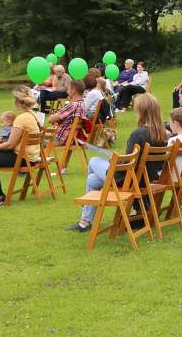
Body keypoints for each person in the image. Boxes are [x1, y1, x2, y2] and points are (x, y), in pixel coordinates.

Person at [66, 93, 167, 234]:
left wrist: (115, 161)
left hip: (127, 179)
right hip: (145, 178)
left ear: (141, 112)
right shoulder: (162, 134)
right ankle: (85, 222)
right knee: (93, 180)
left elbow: (127, 163)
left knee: (94, 161)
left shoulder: (138, 134)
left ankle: (86, 206)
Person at [0, 87, 45, 209]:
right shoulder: (33, 115)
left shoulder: (21, 118)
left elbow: (10, 144)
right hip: (32, 156)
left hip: (22, 157)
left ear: (17, 101)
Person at [47, 77, 91, 147]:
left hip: (57, 139)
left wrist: (55, 118)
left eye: (69, 89)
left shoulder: (73, 105)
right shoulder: (82, 104)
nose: (68, 91)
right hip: (68, 139)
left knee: (28, 138)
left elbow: (50, 120)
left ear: (73, 91)